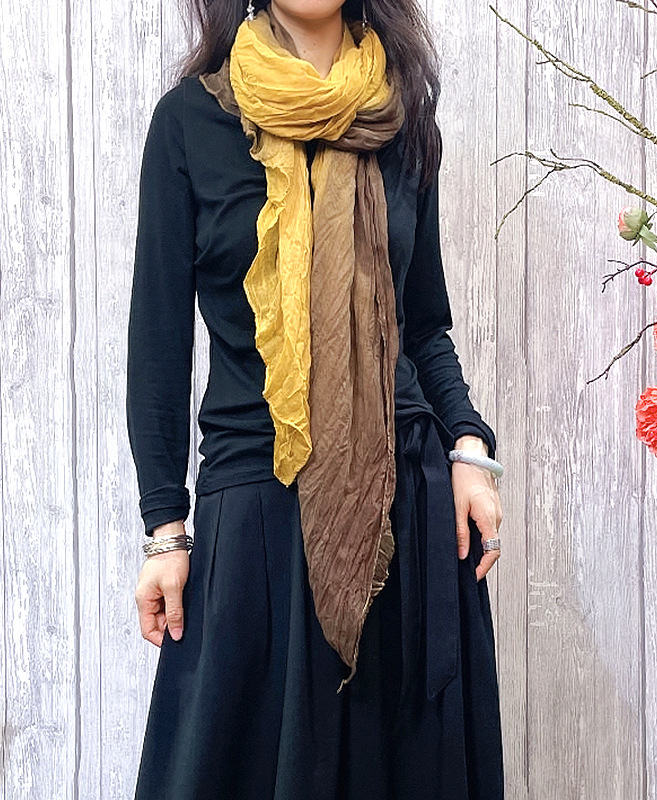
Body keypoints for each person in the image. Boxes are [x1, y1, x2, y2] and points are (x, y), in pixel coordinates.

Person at [126, 0, 505, 797]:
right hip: (257, 515)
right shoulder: (189, 123)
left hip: (401, 513)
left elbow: (423, 325)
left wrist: (469, 446)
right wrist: (165, 532)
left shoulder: (398, 116)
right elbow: (158, 344)